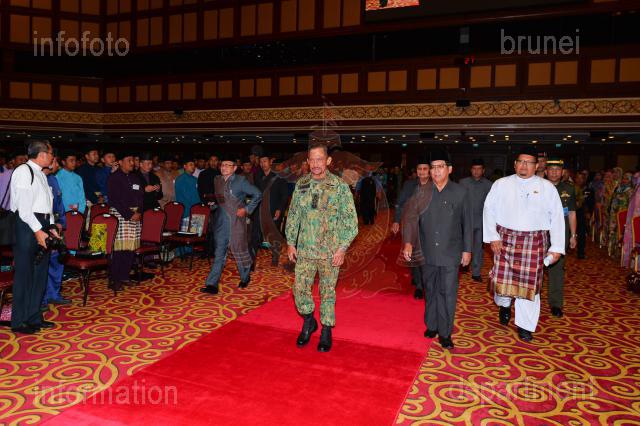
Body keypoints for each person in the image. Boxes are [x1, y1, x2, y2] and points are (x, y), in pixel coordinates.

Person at [483, 146, 565, 342]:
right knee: (502, 283)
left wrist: (556, 247)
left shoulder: (547, 187)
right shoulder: (501, 184)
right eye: (520, 162)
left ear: (537, 166)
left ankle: (525, 326)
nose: (524, 166)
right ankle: (504, 305)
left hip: (534, 242)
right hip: (505, 240)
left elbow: (556, 218)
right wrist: (492, 236)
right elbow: (488, 210)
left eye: (528, 163)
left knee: (529, 287)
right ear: (515, 164)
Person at [285, 143, 358, 353]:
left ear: (328, 161)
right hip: (305, 250)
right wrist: (290, 242)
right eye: (312, 160)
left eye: (320, 159)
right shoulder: (301, 185)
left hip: (330, 252)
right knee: (299, 289)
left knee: (327, 292)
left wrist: (342, 248)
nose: (316, 164)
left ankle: (326, 329)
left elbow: (351, 222)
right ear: (308, 162)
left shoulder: (339, 186)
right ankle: (309, 321)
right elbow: (294, 215)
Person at [401, 150, 472, 350]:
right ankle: (431, 325)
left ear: (449, 169)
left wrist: (467, 249)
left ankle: (445, 332)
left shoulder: (460, 192)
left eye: (440, 167)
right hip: (427, 251)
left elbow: (467, 223)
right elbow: (411, 219)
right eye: (433, 167)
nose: (436, 171)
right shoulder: (421, 192)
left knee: (447, 292)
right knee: (430, 289)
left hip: (451, 252)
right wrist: (408, 242)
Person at [9, 140, 58, 334]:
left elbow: (46, 205)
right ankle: (19, 321)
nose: (53, 157)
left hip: (41, 224)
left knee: (40, 274)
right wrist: (38, 231)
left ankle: (34, 317)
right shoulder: (24, 171)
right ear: (42, 154)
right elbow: (24, 209)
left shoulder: (41, 174)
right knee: (25, 274)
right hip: (27, 226)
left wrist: (51, 226)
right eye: (51, 153)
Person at [201, 156, 262, 293]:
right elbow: (220, 200)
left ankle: (245, 277)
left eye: (228, 165)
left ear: (234, 168)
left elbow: (258, 194)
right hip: (221, 223)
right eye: (222, 165)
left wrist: (246, 209)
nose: (224, 167)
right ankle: (212, 285)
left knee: (239, 252)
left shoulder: (241, 181)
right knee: (219, 253)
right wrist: (214, 205)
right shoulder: (217, 180)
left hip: (236, 222)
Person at [392, 154, 430, 299]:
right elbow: (400, 203)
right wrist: (396, 221)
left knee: (427, 256)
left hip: (430, 227)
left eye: (425, 169)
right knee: (414, 255)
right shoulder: (409, 185)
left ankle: (424, 281)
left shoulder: (435, 185)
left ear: (429, 170)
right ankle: (419, 286)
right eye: (419, 169)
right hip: (412, 225)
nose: (422, 172)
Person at [545, 157, 577, 318]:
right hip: (540, 232)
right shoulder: (538, 186)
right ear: (546, 171)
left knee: (557, 269)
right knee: (534, 267)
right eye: (551, 169)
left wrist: (573, 235)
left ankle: (556, 303)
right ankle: (530, 297)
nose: (554, 172)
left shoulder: (569, 189)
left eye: (557, 170)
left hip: (560, 233)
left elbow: (572, 213)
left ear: (563, 172)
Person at [107, 153, 143, 290]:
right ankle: (114, 279)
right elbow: (114, 200)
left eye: (133, 160)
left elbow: (141, 196)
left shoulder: (135, 177)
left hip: (135, 215)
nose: (132, 163)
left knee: (130, 248)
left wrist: (139, 211)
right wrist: (129, 214)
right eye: (129, 160)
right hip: (120, 215)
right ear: (120, 162)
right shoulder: (114, 178)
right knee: (119, 249)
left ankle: (124, 276)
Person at [43, 154, 71, 306]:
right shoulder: (39, 178)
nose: (57, 165)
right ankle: (42, 298)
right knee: (43, 263)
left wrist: (61, 222)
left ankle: (54, 294)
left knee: (56, 261)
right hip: (43, 226)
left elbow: (59, 204)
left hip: (57, 226)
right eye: (54, 161)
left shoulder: (53, 179)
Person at [252, 153, 289, 266]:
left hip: (273, 210)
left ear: (270, 162)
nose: (263, 164)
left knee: (274, 235)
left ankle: (275, 258)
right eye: (261, 162)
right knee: (255, 234)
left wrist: (280, 209)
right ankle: (252, 260)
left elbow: (284, 195)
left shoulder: (279, 177)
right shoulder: (258, 176)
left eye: (265, 161)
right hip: (259, 210)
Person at [459, 158, 493, 282]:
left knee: (478, 247)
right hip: (464, 220)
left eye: (479, 169)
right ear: (471, 170)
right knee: (462, 244)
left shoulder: (489, 185)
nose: (476, 171)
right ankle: (463, 265)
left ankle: (476, 272)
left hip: (480, 221)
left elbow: (492, 205)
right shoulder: (463, 183)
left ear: (483, 170)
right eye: (474, 169)